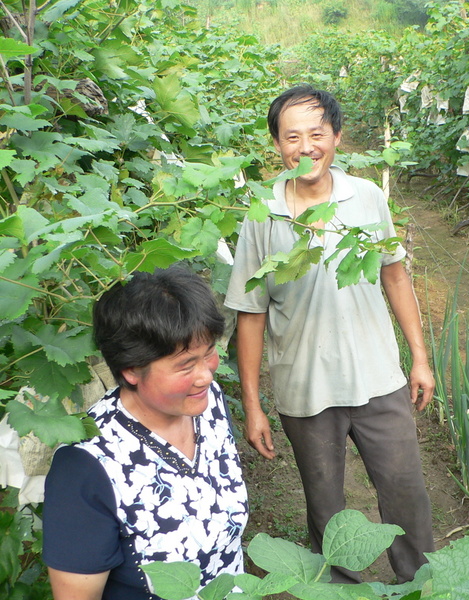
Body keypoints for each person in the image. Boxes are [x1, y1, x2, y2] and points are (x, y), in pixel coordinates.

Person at [224, 85, 434, 584]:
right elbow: (250, 314)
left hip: (379, 379)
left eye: (316, 134)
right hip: (306, 390)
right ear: (277, 146)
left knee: (407, 496)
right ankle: (336, 593)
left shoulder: (366, 197)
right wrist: (254, 405)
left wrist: (419, 359)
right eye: (291, 136)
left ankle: (423, 587)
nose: (305, 147)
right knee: (327, 512)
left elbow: (395, 275)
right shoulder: (263, 213)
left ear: (337, 137)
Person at [43, 265, 248, 600]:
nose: (206, 376)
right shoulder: (86, 468)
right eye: (185, 365)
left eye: (208, 353)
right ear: (131, 370)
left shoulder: (206, 404)